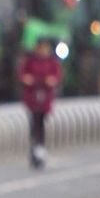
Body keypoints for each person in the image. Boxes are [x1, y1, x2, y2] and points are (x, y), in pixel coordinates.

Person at [17, 36, 61, 169]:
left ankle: (39, 149)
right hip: (32, 97)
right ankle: (35, 148)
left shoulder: (52, 61)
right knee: (34, 122)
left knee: (40, 122)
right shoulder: (30, 61)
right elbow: (22, 74)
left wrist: (52, 80)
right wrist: (26, 79)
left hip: (45, 98)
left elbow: (57, 75)